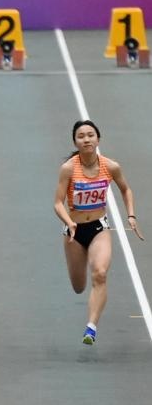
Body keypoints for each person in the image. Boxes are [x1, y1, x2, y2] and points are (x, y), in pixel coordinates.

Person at [54, 119, 143, 345]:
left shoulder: (110, 166)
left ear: (98, 139)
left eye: (90, 135)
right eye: (81, 136)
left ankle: (91, 328)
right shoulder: (69, 169)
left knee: (100, 273)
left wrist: (131, 215)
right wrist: (69, 222)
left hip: (98, 228)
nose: (86, 139)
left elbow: (126, 190)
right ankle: (82, 260)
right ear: (75, 142)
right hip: (74, 232)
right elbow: (57, 203)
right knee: (79, 287)